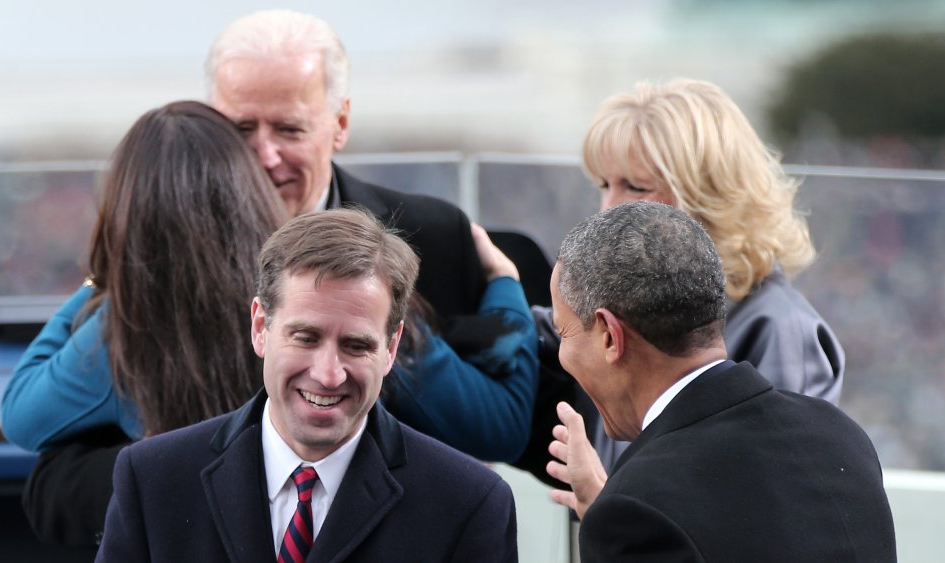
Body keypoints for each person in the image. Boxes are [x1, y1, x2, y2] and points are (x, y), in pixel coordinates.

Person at [206, 8, 538, 463]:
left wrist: (505, 290)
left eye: (289, 129)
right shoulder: (165, 255)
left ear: (340, 123)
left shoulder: (431, 237)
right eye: (241, 129)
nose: (264, 155)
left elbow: (490, 431)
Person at [96, 208, 518, 562]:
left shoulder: (467, 505)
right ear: (261, 327)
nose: (328, 373)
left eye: (356, 345)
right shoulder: (153, 481)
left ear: (391, 348)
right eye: (306, 337)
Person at [516, 78, 845, 483]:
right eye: (603, 184)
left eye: (635, 187)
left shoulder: (780, 328)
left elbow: (772, 500)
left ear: (710, 192)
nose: (606, 208)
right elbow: (541, 331)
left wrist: (608, 508)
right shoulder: (629, 302)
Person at [0, 101, 288, 543]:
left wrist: (100, 279)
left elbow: (21, 416)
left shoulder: (126, 326)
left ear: (125, 209)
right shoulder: (296, 297)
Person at [546, 201, 895, 562]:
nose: (562, 351)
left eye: (564, 331)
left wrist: (612, 520)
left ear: (609, 337)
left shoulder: (637, 511)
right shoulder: (840, 436)